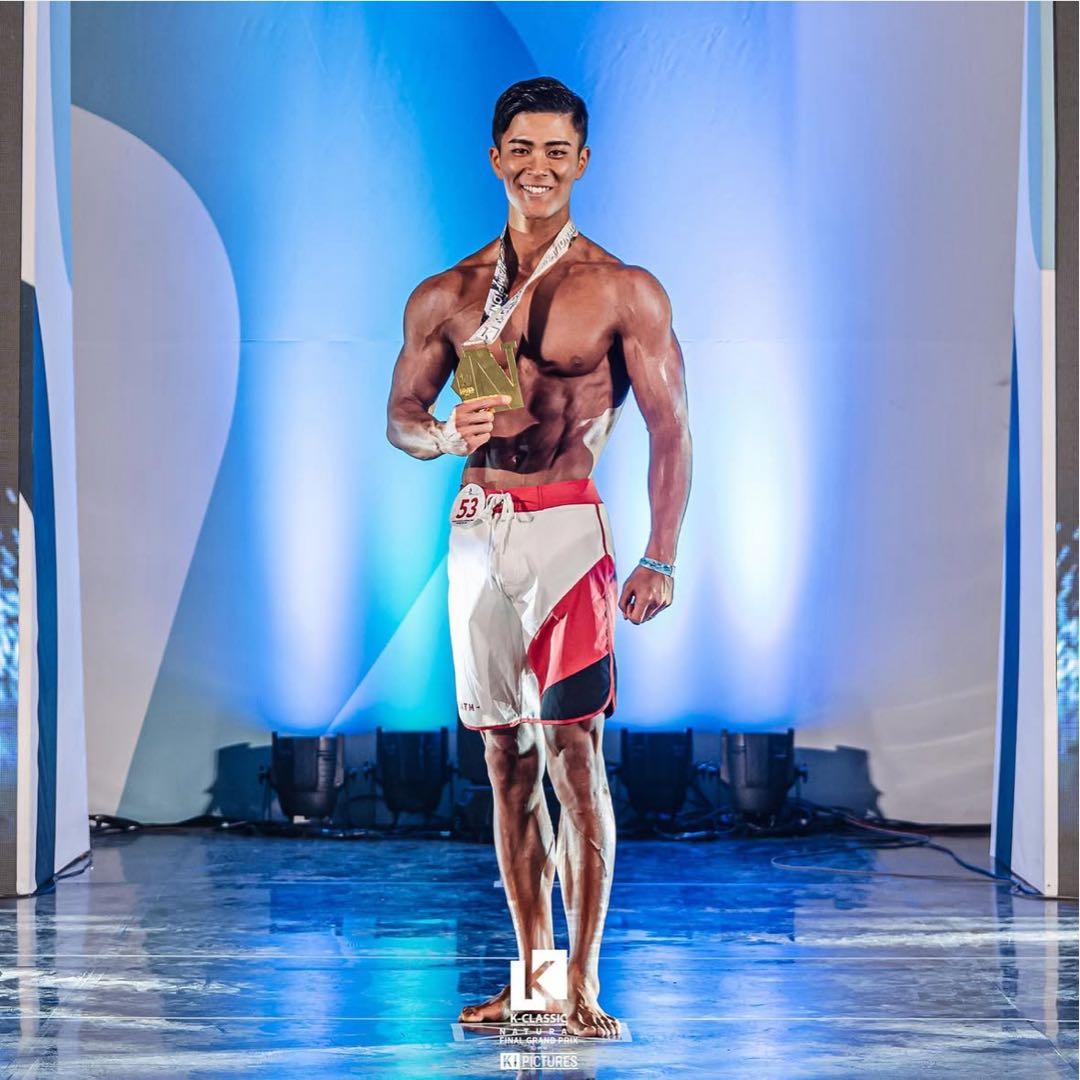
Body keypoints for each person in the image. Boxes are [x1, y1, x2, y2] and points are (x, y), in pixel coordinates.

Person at [386, 76, 691, 1038]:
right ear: (496, 158)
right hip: (478, 529)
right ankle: (534, 979)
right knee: (504, 760)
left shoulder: (624, 290)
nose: (539, 167)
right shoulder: (449, 294)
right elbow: (401, 417)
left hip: (566, 532)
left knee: (573, 750)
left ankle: (585, 982)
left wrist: (661, 556)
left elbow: (672, 428)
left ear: (582, 162)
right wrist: (444, 436)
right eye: (522, 149)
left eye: (557, 151)